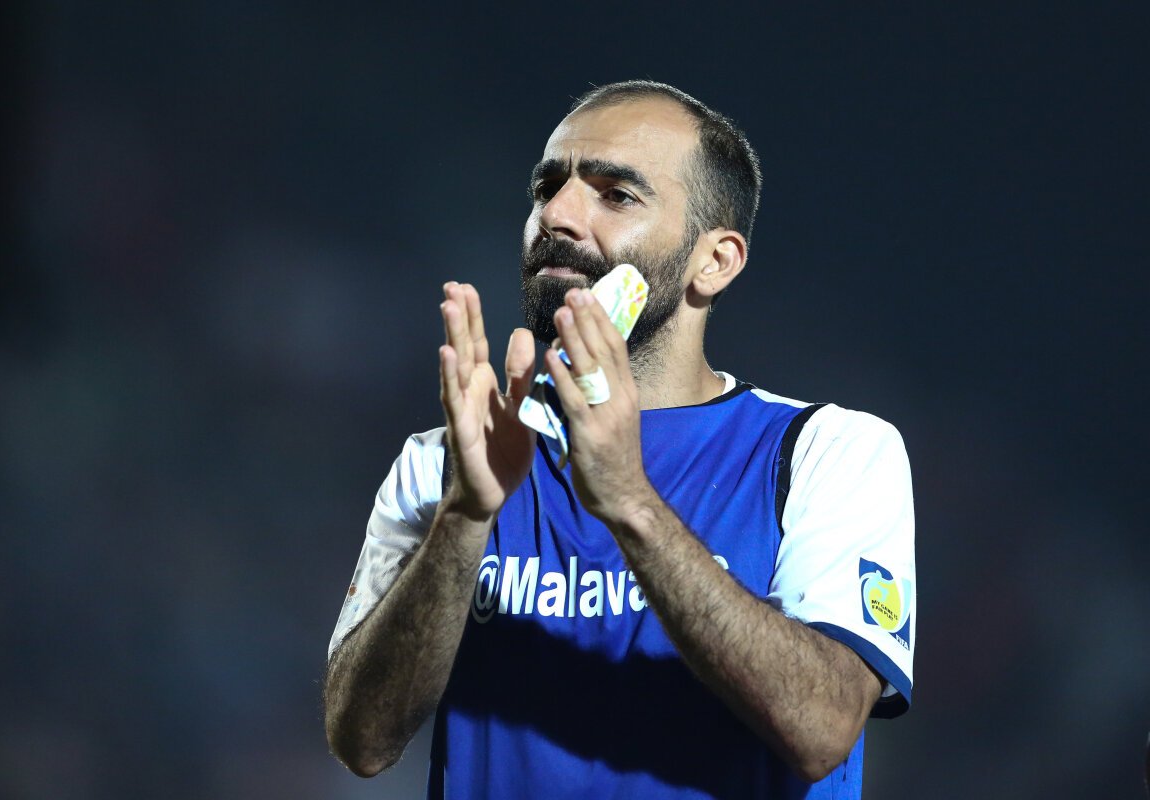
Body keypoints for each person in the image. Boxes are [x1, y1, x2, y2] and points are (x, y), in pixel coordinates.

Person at [323, 80, 916, 800]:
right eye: (548, 188)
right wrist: (465, 518)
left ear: (715, 261)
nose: (558, 215)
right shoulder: (447, 462)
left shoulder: (825, 452)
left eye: (617, 195)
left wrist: (631, 502)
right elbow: (362, 741)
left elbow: (822, 729)